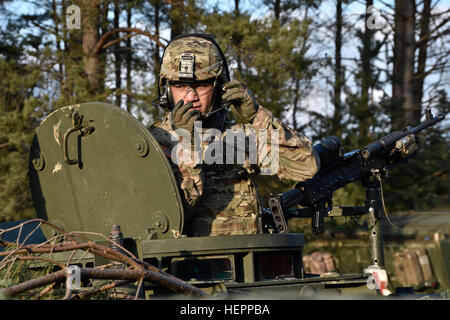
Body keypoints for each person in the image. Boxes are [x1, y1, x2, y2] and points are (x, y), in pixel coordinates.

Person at [150, 33, 320, 237]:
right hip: (183, 266)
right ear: (167, 90)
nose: (190, 96)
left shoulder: (237, 138)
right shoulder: (152, 144)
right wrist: (186, 144)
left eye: (201, 85)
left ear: (219, 87)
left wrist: (257, 117)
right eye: (179, 86)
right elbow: (168, 219)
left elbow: (307, 166)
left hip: (245, 262)